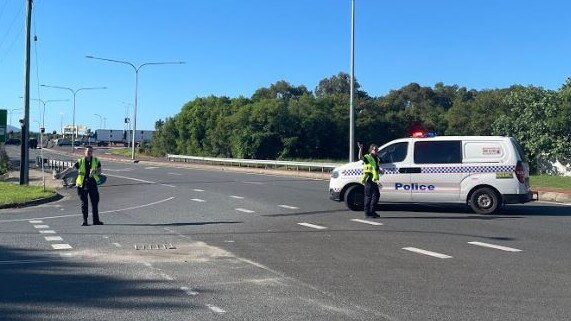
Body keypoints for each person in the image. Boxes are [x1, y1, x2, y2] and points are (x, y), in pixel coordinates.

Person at [56, 146, 103, 226]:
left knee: (95, 202)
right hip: (82, 184)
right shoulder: (80, 161)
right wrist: (61, 174)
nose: (89, 152)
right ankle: (85, 221)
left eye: (91, 151)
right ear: (85, 152)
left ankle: (96, 220)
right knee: (84, 203)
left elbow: (100, 171)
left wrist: (94, 172)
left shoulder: (96, 160)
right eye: (88, 151)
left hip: (92, 183)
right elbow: (71, 168)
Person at [358, 142, 381, 218]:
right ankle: (367, 213)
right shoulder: (368, 157)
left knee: (376, 195)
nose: (376, 150)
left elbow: (375, 168)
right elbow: (360, 157)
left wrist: (380, 171)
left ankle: (372, 211)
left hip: (374, 180)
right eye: (375, 149)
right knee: (368, 196)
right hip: (368, 180)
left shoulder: (376, 158)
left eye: (377, 149)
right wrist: (361, 148)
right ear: (371, 150)